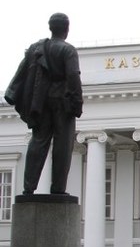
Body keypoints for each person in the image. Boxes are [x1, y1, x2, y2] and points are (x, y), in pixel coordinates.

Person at [4, 13, 83, 195]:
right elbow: (73, 77)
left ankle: (28, 188)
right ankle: (58, 189)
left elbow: (22, 72)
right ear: (66, 29)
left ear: (51, 28)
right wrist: (77, 104)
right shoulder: (68, 50)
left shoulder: (36, 48)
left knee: (38, 141)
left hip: (40, 101)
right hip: (62, 102)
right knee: (63, 144)